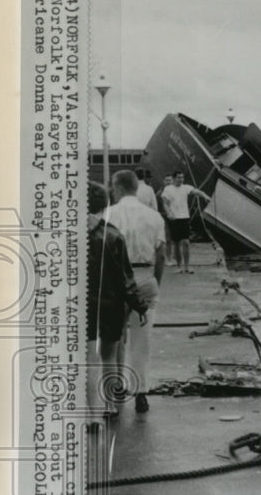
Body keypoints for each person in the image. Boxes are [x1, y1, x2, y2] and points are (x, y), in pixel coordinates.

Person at [87, 181, 148, 418]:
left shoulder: (69, 234)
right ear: (105, 204)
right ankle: (110, 405)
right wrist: (139, 306)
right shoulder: (112, 235)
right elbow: (126, 279)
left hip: (82, 307)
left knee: (89, 358)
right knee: (109, 356)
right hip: (110, 305)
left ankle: (92, 414)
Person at [106, 170, 165, 413]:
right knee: (143, 339)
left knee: (115, 337)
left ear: (118, 187)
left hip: (119, 278)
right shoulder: (154, 216)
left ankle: (117, 385)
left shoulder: (110, 214)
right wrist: (155, 282)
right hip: (145, 275)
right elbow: (161, 254)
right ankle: (141, 392)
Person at [160, 170, 209, 273]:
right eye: (178, 178)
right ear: (174, 179)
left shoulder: (185, 187)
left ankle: (187, 266)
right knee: (176, 244)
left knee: (186, 242)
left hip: (184, 218)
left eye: (182, 177)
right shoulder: (168, 189)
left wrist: (205, 196)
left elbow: (196, 191)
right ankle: (179, 266)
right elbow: (165, 203)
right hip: (174, 219)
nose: (181, 179)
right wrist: (169, 213)